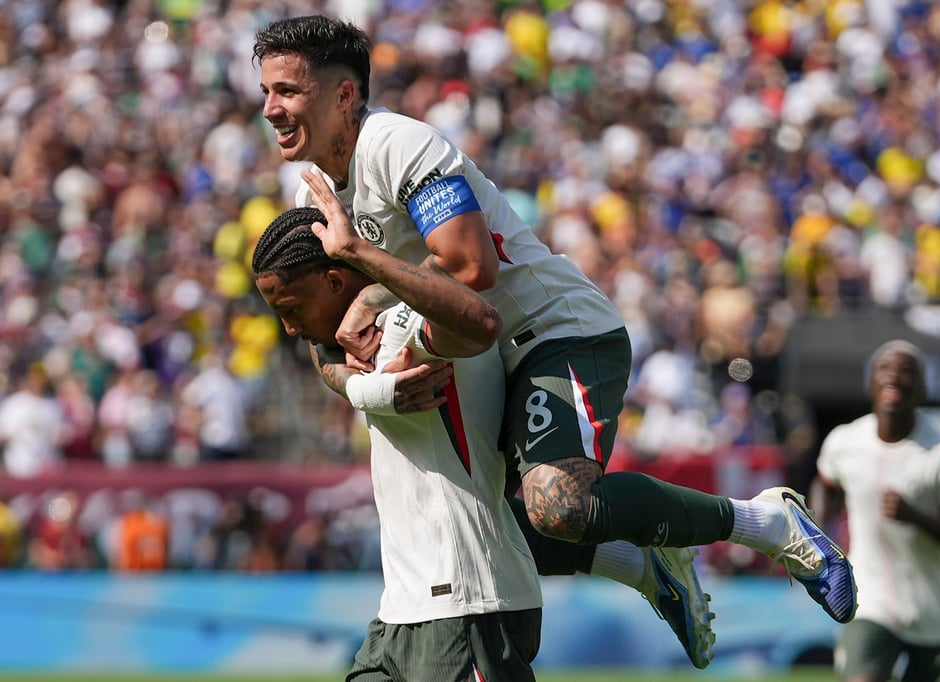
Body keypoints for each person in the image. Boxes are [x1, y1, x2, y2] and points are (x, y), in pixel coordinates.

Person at [252, 15, 858, 660]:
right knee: (484, 525)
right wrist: (368, 390)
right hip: (478, 361)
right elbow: (323, 336)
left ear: (343, 94)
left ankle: (766, 522)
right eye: (266, 92)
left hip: (552, 332)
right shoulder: (313, 192)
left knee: (557, 504)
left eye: (287, 90)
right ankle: (643, 564)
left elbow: (470, 267)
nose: (270, 109)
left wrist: (371, 283)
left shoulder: (398, 145)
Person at [253, 206, 543, 680]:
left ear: (333, 281)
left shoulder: (405, 321)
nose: (288, 327)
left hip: (467, 601)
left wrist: (368, 277)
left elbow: (478, 323)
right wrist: (371, 390)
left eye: (291, 308)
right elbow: (323, 349)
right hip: (402, 610)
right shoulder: (352, 342)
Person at [810, 340, 940, 682]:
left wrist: (916, 517)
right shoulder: (844, 442)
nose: (896, 376)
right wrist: (819, 528)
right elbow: (826, 485)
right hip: (867, 599)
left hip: (932, 608)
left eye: (908, 371)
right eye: (885, 368)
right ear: (870, 383)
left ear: (922, 388)